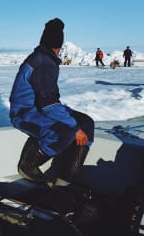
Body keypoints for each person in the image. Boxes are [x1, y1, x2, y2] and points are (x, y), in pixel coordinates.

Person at [9, 18, 94, 183]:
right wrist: (74, 128)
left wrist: (77, 126)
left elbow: (47, 101)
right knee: (65, 131)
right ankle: (28, 165)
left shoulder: (44, 58)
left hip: (39, 108)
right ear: (58, 47)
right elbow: (48, 104)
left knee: (86, 123)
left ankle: (68, 177)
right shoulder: (43, 63)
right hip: (25, 113)